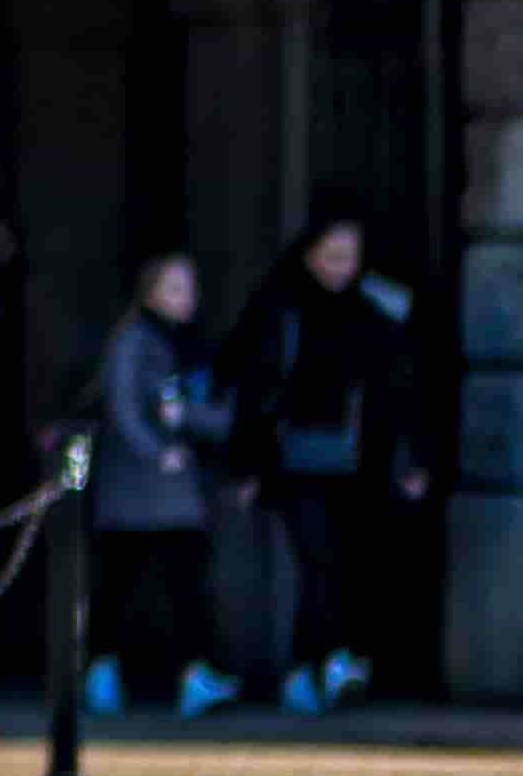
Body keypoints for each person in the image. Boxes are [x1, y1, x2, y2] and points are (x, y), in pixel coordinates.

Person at [222, 208, 428, 711]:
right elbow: (253, 385)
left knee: (346, 568)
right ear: (309, 254)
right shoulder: (280, 306)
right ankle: (323, 663)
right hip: (294, 463)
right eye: (332, 256)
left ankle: (318, 665)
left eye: (349, 258)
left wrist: (415, 455)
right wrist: (246, 463)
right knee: (321, 564)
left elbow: (402, 389)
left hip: (359, 463)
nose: (340, 267)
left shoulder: (375, 311)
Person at [90, 248, 227, 712]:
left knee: (183, 582)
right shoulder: (133, 340)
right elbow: (123, 407)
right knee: (121, 584)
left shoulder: (187, 343)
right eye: (174, 288)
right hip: (137, 485)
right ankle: (102, 674)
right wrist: (157, 450)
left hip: (174, 489)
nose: (186, 298)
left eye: (189, 288)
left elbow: (207, 408)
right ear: (149, 293)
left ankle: (191, 674)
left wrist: (189, 418)